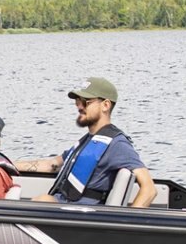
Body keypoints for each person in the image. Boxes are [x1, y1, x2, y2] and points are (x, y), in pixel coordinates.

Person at [14, 77, 156, 207]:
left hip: (80, 216)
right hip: (63, 208)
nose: (79, 107)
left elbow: (149, 189)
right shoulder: (88, 140)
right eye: (77, 102)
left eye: (85, 102)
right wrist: (8, 164)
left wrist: (124, 222)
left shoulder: (117, 145)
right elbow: (52, 165)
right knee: (39, 200)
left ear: (105, 105)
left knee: (40, 201)